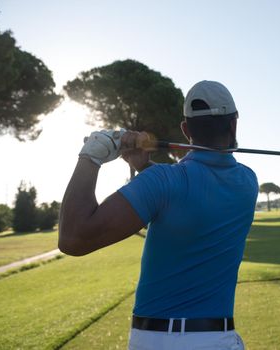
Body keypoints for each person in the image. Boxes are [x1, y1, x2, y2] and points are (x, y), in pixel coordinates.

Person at [58, 80, 258, 350]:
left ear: (186, 130)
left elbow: (73, 238)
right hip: (219, 339)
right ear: (233, 124)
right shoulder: (248, 182)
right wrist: (145, 166)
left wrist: (91, 155)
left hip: (155, 341)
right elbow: (189, 190)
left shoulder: (163, 181)